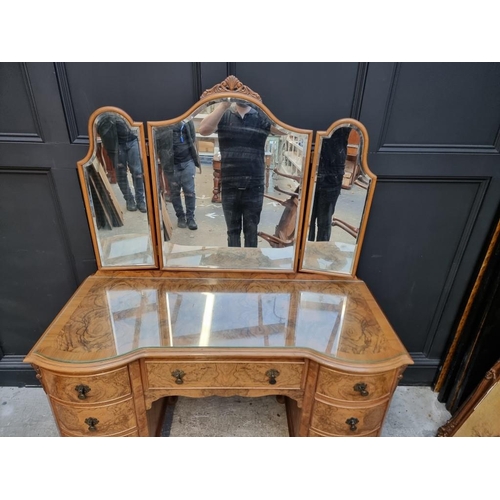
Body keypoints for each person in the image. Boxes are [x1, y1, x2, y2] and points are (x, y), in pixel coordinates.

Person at [198, 99, 271, 247]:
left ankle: (250, 267)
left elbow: (282, 127)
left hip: (254, 185)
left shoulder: (261, 117)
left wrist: (259, 103)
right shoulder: (224, 115)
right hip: (230, 183)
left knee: (251, 231)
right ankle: (234, 266)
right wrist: (224, 103)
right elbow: (203, 130)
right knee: (232, 231)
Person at [96, 112, 147, 213]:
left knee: (137, 173)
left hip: (132, 139)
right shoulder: (101, 112)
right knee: (121, 174)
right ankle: (129, 200)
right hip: (115, 145)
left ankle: (140, 201)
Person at [155, 121, 201, 230]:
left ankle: (190, 218)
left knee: (189, 191)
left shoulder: (187, 121)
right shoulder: (160, 124)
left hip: (187, 161)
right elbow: (157, 144)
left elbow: (192, 138)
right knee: (174, 191)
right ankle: (180, 217)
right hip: (170, 164)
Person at [308, 127, 350, 241]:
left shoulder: (345, 117)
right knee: (307, 219)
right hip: (311, 168)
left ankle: (320, 252)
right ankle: (306, 252)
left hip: (333, 172)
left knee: (324, 221)